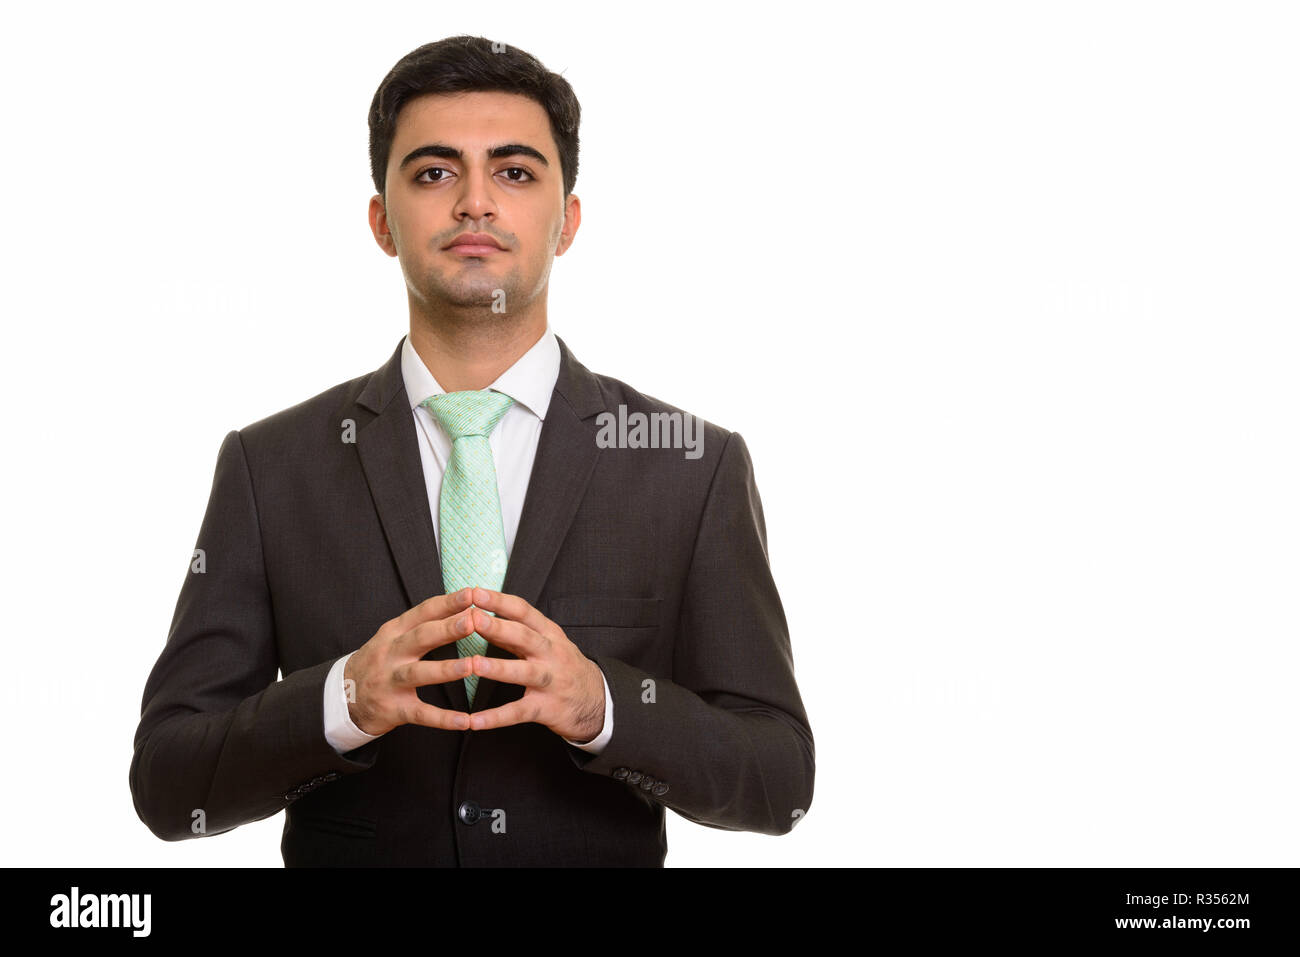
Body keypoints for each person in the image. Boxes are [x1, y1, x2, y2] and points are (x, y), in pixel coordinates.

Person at [130, 35, 814, 866]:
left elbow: (780, 779)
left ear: (567, 222)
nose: (476, 203)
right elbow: (168, 784)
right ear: (383, 221)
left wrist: (603, 703)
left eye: (516, 172)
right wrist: (341, 699)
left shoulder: (691, 467)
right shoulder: (269, 467)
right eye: (434, 172)